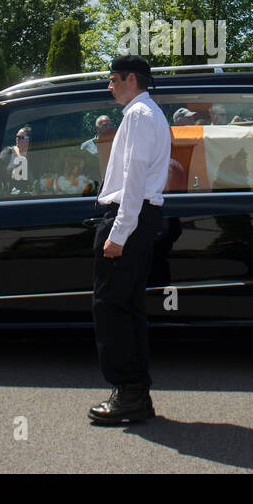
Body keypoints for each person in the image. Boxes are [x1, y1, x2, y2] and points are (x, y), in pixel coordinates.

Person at [88, 55, 172, 425]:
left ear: (130, 79)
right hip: (140, 217)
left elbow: (133, 175)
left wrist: (119, 231)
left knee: (111, 308)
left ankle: (129, 395)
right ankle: (135, 393)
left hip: (129, 218)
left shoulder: (139, 114)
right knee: (129, 307)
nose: (109, 86)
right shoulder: (148, 112)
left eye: (113, 79)